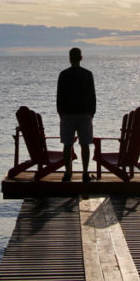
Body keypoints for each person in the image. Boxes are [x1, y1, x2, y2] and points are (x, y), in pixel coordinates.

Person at [56, 47, 96, 182]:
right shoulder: (87, 74)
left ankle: (68, 173)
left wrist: (60, 113)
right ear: (81, 58)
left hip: (67, 114)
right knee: (85, 144)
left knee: (67, 145)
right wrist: (92, 112)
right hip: (85, 113)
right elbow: (92, 96)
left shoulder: (63, 74)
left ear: (70, 58)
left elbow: (59, 96)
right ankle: (85, 173)